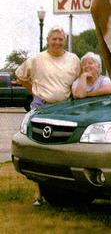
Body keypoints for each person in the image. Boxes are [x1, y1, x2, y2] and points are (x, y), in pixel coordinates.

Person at [15, 26, 80, 206]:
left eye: (60, 39)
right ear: (48, 41)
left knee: (62, 150)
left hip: (66, 108)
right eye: (54, 39)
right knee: (38, 149)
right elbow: (20, 76)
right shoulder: (37, 59)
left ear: (64, 40)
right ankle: (39, 194)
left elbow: (79, 81)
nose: (57, 42)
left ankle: (64, 191)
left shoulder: (73, 60)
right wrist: (34, 91)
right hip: (41, 107)